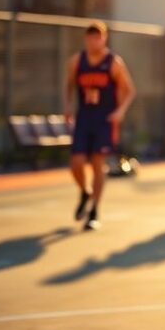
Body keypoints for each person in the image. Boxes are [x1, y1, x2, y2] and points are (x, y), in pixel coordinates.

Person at [64, 21, 135, 231]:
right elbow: (68, 85)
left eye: (98, 37)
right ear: (86, 39)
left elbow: (129, 90)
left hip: (104, 120)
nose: (94, 41)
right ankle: (85, 192)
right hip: (84, 118)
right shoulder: (77, 61)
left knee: (97, 164)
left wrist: (120, 112)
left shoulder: (113, 62)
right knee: (76, 163)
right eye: (90, 37)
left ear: (104, 38)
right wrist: (67, 107)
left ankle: (94, 210)